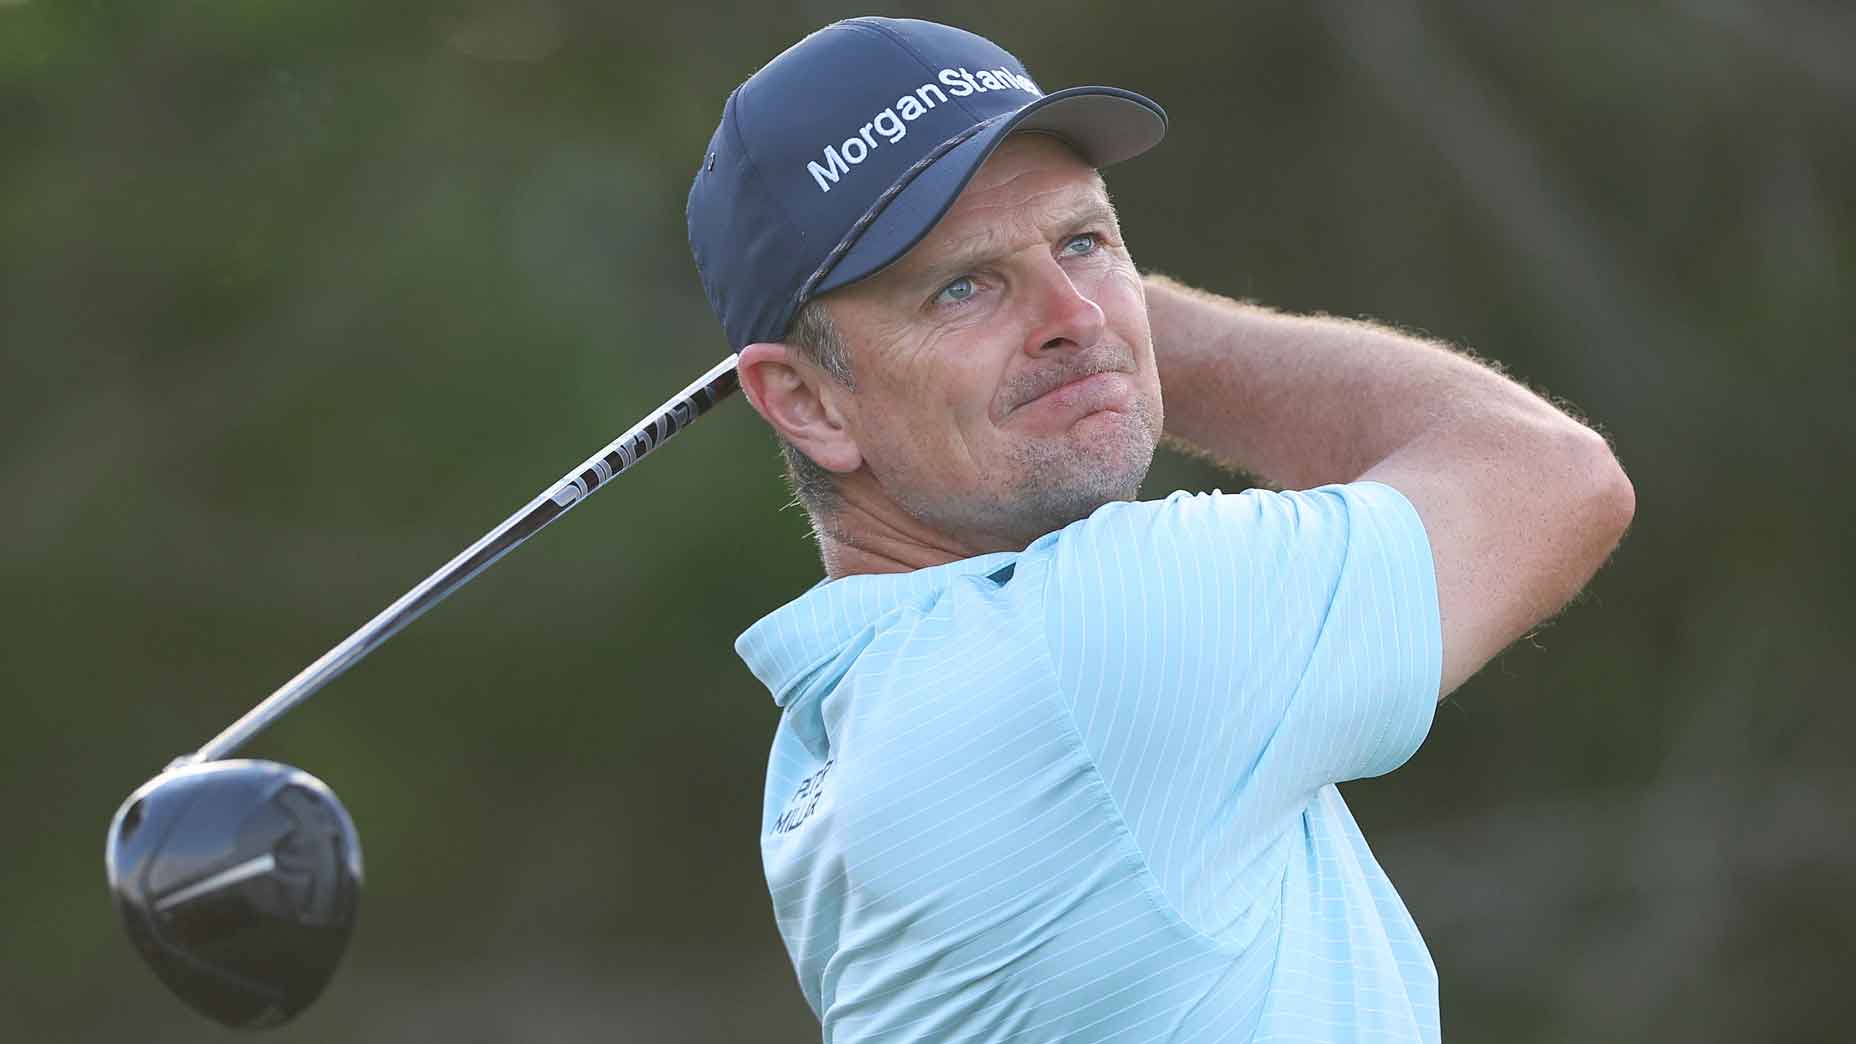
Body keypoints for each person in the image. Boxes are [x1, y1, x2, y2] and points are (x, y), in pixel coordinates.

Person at [686, 17, 1633, 1043]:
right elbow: (1545, 473)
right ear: (809, 404)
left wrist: (1062, 334)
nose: (1076, 311)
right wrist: (1122, 334)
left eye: (1085, 241)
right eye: (961, 285)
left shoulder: (833, 741)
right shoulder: (1091, 637)